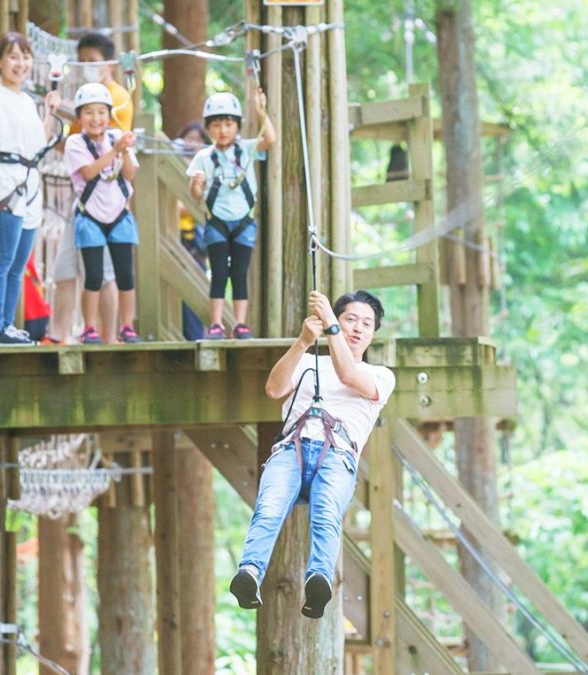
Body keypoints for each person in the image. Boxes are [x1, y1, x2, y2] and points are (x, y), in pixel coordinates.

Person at [231, 290, 396, 619]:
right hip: (291, 448)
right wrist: (304, 341)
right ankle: (249, 572)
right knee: (269, 507)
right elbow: (274, 389)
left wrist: (332, 324)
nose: (357, 328)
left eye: (366, 324)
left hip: (337, 453)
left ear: (373, 334)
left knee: (326, 513)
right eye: (350, 319)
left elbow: (348, 375)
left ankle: (319, 578)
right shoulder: (308, 363)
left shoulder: (380, 375)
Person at [0, 31, 65, 347]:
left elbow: (38, 144)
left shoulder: (26, 101)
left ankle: (7, 326)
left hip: (28, 181)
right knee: (1, 259)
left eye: (25, 57)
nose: (20, 63)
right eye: (13, 56)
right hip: (2, 180)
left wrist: (50, 113)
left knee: (17, 266)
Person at [187, 89, 276, 340]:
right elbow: (196, 195)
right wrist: (196, 184)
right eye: (216, 125)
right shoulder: (204, 157)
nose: (223, 130)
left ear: (237, 126)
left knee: (239, 273)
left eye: (228, 124)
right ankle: (216, 323)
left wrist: (260, 111)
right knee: (218, 273)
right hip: (216, 222)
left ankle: (240, 323)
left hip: (243, 222)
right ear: (208, 128)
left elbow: (270, 139)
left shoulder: (245, 150)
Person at [64, 82, 142, 344]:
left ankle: (127, 326)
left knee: (125, 275)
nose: (95, 118)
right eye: (88, 112)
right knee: (94, 276)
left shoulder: (116, 138)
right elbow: (88, 173)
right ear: (79, 117)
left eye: (101, 112)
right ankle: (89, 327)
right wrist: (115, 151)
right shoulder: (75, 143)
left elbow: (129, 174)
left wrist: (125, 150)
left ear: (109, 115)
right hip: (90, 216)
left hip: (119, 214)